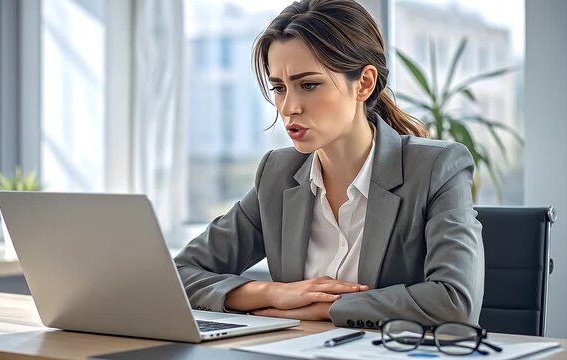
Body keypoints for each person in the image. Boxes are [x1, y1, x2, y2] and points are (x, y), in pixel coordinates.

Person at [174, 0, 484, 329]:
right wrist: (273, 293)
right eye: (279, 88)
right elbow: (181, 273)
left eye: (309, 85)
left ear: (364, 83)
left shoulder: (436, 168)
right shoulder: (277, 175)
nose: (288, 107)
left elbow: (454, 301)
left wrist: (324, 308)